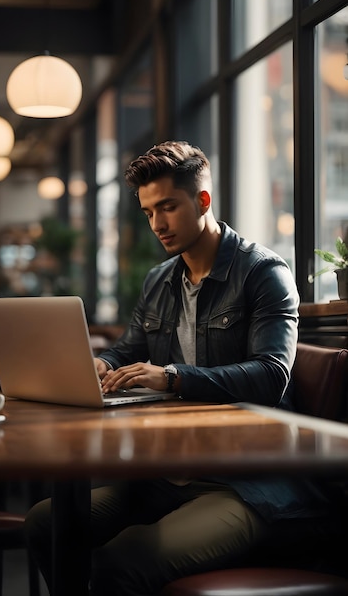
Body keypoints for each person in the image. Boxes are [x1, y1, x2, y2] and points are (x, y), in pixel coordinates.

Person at [25, 141, 335, 595]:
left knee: (121, 561)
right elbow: (128, 349)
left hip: (249, 483)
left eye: (168, 207)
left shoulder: (263, 272)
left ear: (203, 200)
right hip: (172, 472)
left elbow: (271, 376)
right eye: (149, 212)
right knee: (45, 522)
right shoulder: (159, 279)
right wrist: (100, 363)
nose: (158, 224)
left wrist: (171, 376)